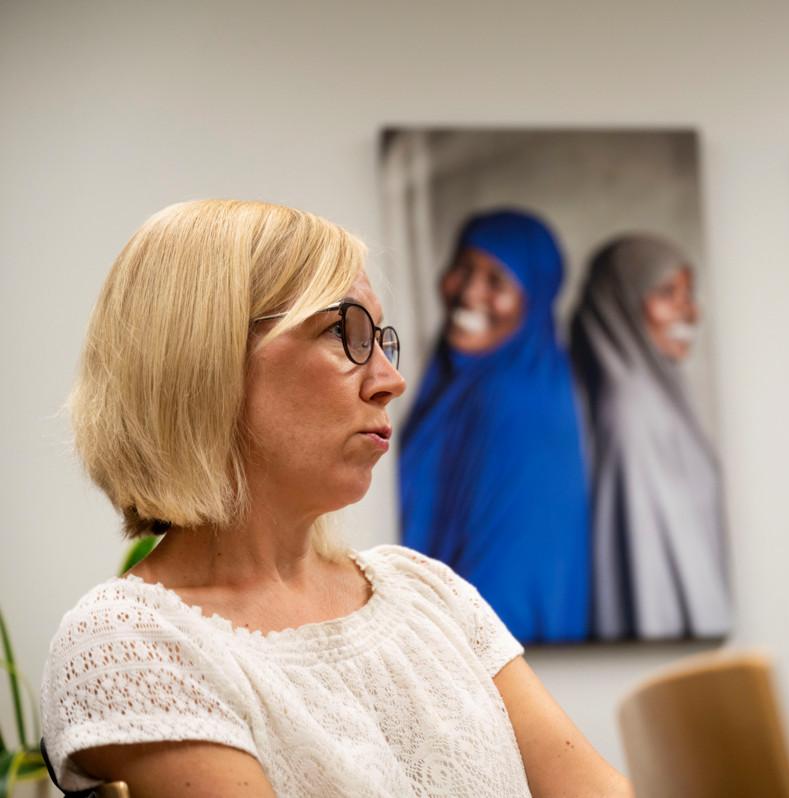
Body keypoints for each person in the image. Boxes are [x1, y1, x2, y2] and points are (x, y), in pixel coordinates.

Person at [40, 200, 629, 797]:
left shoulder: (429, 593)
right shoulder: (129, 644)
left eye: (381, 340)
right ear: (206, 357)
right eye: (341, 333)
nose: (391, 381)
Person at [400, 209, 591, 644]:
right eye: (463, 269)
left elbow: (508, 590)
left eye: (496, 281)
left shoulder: (516, 401)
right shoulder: (463, 379)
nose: (468, 293)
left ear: (534, 299)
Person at [570, 234, 731, 641]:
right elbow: (647, 571)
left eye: (688, 295)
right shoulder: (631, 412)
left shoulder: (656, 393)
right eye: (666, 293)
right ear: (620, 303)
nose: (689, 312)